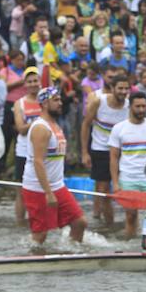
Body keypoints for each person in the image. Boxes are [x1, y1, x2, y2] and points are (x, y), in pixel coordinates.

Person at [23, 87, 87, 245]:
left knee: (79, 223)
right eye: (56, 100)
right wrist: (48, 193)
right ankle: (33, 263)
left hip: (58, 185)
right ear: (44, 103)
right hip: (38, 188)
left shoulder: (55, 125)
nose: (60, 103)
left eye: (60, 99)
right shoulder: (40, 128)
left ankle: (71, 254)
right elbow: (38, 161)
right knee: (40, 235)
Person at [109, 92, 146, 238]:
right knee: (130, 216)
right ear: (130, 107)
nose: (141, 109)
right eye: (138, 106)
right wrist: (115, 183)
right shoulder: (118, 128)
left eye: (144, 106)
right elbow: (114, 157)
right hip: (128, 178)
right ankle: (130, 245)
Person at [81, 74, 130, 226]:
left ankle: (104, 218)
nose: (123, 91)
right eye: (120, 88)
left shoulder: (130, 105)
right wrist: (84, 152)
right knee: (103, 188)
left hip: (121, 151)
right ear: (112, 89)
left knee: (120, 187)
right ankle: (107, 223)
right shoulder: (99, 101)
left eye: (126, 88)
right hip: (100, 149)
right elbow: (85, 125)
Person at [12, 66, 41, 225]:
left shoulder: (47, 100)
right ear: (25, 84)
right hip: (24, 151)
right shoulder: (19, 103)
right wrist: (40, 121)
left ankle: (39, 221)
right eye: (29, 81)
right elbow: (21, 129)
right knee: (21, 191)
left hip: (43, 151)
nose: (32, 84)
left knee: (41, 190)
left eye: (35, 80)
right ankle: (20, 222)